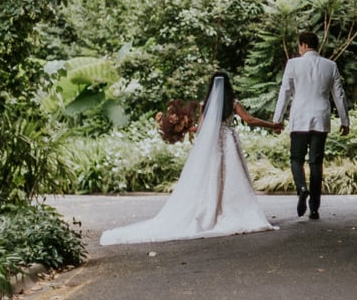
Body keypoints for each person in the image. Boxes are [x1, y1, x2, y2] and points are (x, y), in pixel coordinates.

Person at [100, 71, 285, 246]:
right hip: (228, 141)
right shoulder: (234, 103)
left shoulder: (206, 104)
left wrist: (186, 128)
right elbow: (250, 120)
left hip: (213, 144)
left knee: (211, 176)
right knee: (232, 176)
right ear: (228, 86)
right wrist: (273, 125)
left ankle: (213, 209)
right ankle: (233, 210)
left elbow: (202, 128)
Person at [271, 31, 350, 221]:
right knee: (316, 163)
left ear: (304, 45)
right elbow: (339, 95)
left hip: (299, 118)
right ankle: (314, 209)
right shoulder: (330, 65)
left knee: (296, 159)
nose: (299, 49)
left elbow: (285, 92)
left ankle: (302, 188)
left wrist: (277, 119)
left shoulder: (293, 64)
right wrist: (344, 121)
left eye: (299, 46)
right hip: (321, 119)